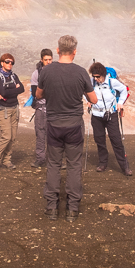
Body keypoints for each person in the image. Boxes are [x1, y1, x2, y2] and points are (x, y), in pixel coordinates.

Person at [36, 35, 97, 220]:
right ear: (75, 52)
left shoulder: (46, 71)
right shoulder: (80, 73)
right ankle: (72, 208)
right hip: (73, 125)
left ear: (57, 50)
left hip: (54, 124)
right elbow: (93, 99)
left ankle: (52, 207)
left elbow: (39, 95)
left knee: (53, 164)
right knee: (74, 165)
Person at [88, 62, 132, 176]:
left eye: (98, 76)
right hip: (96, 115)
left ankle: (124, 166)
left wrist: (120, 103)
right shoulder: (91, 82)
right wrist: (88, 100)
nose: (96, 79)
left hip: (111, 114)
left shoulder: (112, 82)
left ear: (103, 74)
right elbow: (84, 92)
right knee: (99, 140)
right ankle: (102, 163)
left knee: (116, 140)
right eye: (94, 76)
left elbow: (124, 90)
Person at [0, 53, 25, 170]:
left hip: (15, 108)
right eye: (7, 62)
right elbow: (3, 92)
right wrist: (15, 89)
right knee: (6, 136)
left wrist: (9, 90)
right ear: (2, 63)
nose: (10, 64)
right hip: (3, 110)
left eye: (12, 62)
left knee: (13, 137)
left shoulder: (14, 75)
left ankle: (7, 160)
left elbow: (22, 88)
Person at [29, 49, 53, 168]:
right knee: (40, 134)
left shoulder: (57, 72)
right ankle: (40, 159)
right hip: (41, 108)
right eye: (46, 60)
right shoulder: (36, 74)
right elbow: (35, 93)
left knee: (54, 136)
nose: (48, 62)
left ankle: (53, 159)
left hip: (54, 109)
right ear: (41, 60)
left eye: (50, 59)